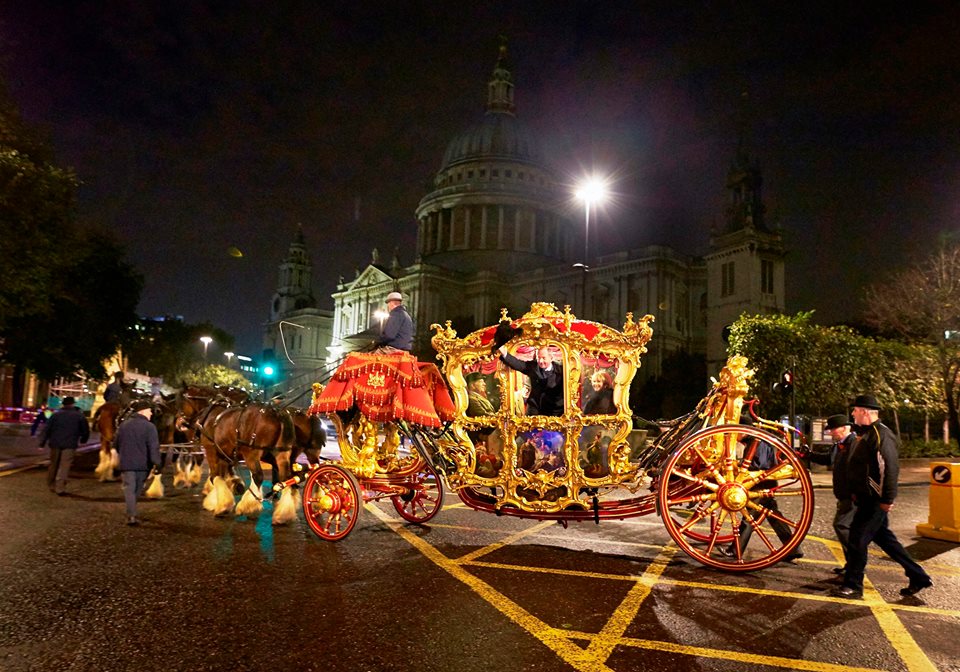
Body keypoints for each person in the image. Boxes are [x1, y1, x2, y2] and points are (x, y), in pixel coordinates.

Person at [831, 394, 933, 599]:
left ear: (865, 412)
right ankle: (918, 576)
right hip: (865, 498)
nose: (852, 414)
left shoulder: (880, 435)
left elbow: (889, 468)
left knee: (857, 540)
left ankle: (853, 586)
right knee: (888, 542)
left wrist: (887, 499)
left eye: (855, 410)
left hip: (874, 500)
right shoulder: (866, 433)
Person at [719, 417, 804, 561]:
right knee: (774, 516)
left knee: (749, 518)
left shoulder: (758, 442)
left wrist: (738, 467)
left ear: (743, 430)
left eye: (736, 432)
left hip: (761, 485)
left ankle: (735, 549)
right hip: (765, 485)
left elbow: (760, 466)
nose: (735, 436)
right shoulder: (756, 440)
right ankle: (793, 549)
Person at [807, 414, 858, 578]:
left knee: (842, 526)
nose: (830, 433)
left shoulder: (854, 444)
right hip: (843, 495)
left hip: (852, 496)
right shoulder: (839, 445)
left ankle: (854, 567)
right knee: (849, 529)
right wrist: (808, 455)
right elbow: (829, 459)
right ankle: (852, 564)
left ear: (844, 428)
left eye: (833, 429)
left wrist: (855, 492)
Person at [115, 399, 161, 526]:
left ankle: (131, 514)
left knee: (129, 489)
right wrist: (157, 463)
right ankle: (132, 515)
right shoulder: (150, 427)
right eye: (150, 411)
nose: (151, 414)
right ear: (143, 411)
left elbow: (116, 443)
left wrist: (123, 455)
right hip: (143, 465)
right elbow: (153, 447)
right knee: (136, 490)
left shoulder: (124, 425)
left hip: (126, 464)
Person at [38, 396, 90, 495]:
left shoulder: (55, 415)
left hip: (55, 443)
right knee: (65, 466)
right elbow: (85, 430)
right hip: (70, 444)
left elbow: (47, 430)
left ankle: (51, 484)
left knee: (53, 464)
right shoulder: (79, 416)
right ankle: (60, 488)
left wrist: (42, 443)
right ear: (73, 404)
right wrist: (84, 439)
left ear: (63, 404)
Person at [498, 344, 564, 416]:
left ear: (551, 358)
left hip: (555, 410)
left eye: (543, 358)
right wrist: (504, 353)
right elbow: (518, 364)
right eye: (539, 358)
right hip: (534, 410)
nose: (540, 361)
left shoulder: (561, 370)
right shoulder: (533, 366)